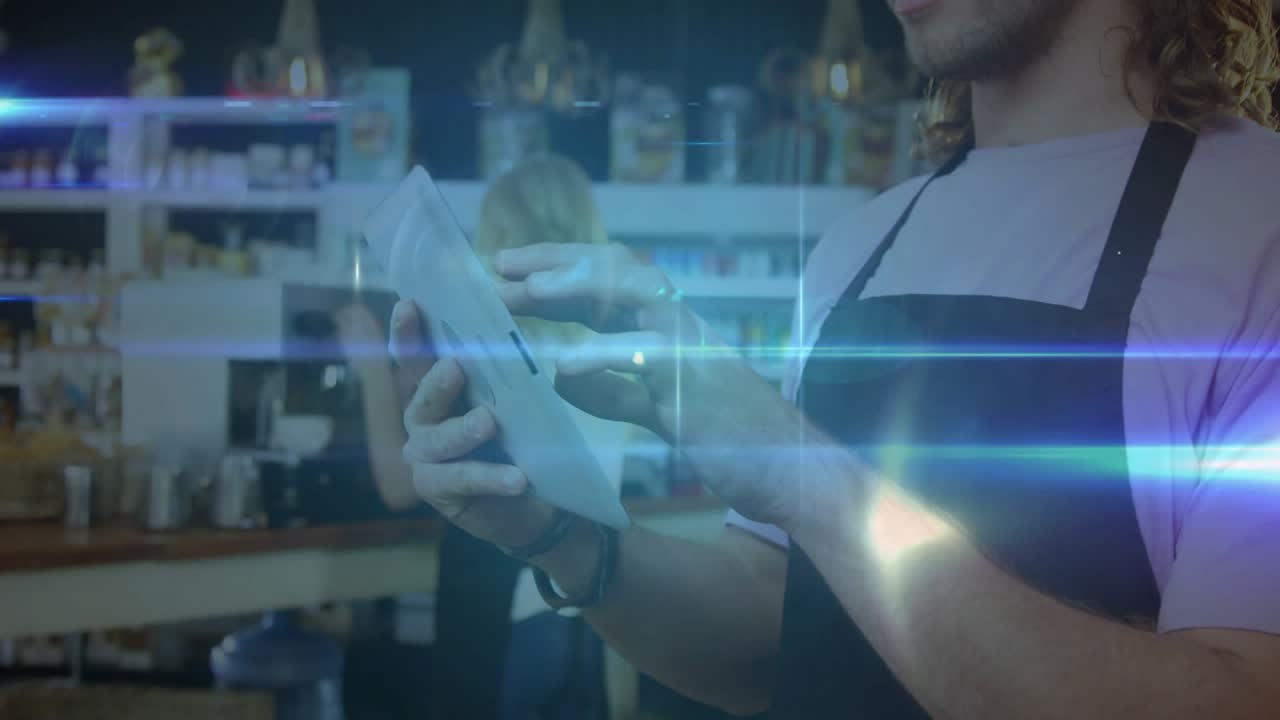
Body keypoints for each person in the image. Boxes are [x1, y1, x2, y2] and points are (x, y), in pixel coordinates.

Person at [390, 2, 1280, 718]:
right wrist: (561, 535)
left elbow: (1241, 693)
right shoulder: (858, 248)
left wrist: (802, 470)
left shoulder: (1259, 227)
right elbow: (774, 628)